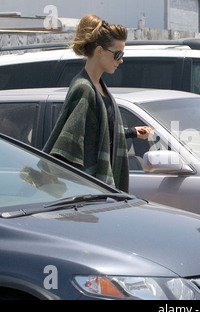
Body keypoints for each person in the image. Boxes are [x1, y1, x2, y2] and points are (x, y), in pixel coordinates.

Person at [43, 14, 153, 193]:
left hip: (98, 187)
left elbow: (100, 133)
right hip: (88, 189)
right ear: (100, 51)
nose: (121, 60)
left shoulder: (99, 86)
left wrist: (132, 133)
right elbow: (70, 143)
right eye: (118, 54)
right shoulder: (83, 88)